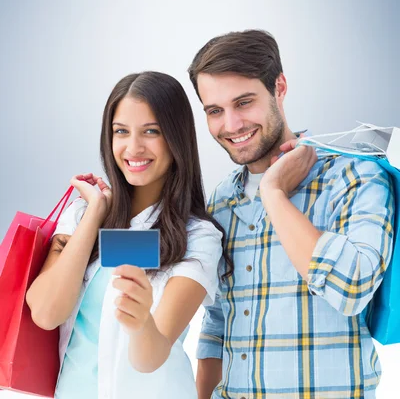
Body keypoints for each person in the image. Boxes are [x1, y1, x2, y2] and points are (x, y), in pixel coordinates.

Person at [188, 29, 394, 399]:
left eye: (244, 102)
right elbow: (217, 321)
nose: (231, 125)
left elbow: (352, 288)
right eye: (215, 111)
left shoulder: (353, 175)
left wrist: (274, 193)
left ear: (279, 87)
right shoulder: (220, 200)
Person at [27, 71, 229, 399]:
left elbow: (151, 356)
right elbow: (47, 313)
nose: (133, 147)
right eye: (121, 131)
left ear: (176, 138)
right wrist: (94, 213)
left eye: (151, 131)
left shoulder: (197, 237)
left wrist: (140, 321)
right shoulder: (81, 216)